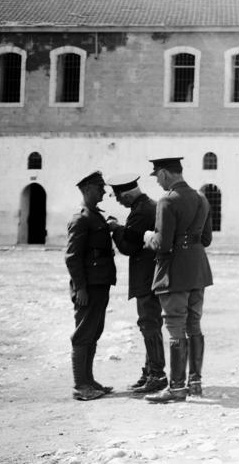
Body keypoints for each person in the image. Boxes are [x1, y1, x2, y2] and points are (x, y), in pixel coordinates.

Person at [143, 157, 214, 403]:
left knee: (174, 327)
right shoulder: (202, 198)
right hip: (198, 270)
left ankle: (176, 388)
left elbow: (162, 245)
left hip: (174, 273)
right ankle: (195, 382)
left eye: (157, 177)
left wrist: (149, 236)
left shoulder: (167, 201)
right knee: (194, 325)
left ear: (164, 173)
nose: (158, 182)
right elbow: (206, 239)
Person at [106, 173, 167, 394]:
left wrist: (115, 229)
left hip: (146, 275)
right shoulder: (147, 205)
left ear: (127, 194)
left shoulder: (141, 212)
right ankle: (150, 371)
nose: (118, 201)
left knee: (148, 323)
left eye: (119, 197)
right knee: (149, 323)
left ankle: (157, 374)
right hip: (151, 273)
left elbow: (128, 247)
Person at [65, 171, 117, 401]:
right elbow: (72, 257)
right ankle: (80, 385)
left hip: (100, 283)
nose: (104, 192)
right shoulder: (81, 218)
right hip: (89, 286)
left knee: (94, 332)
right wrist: (81, 288)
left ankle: (89, 380)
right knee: (83, 334)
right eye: (99, 188)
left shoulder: (95, 216)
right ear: (87, 189)